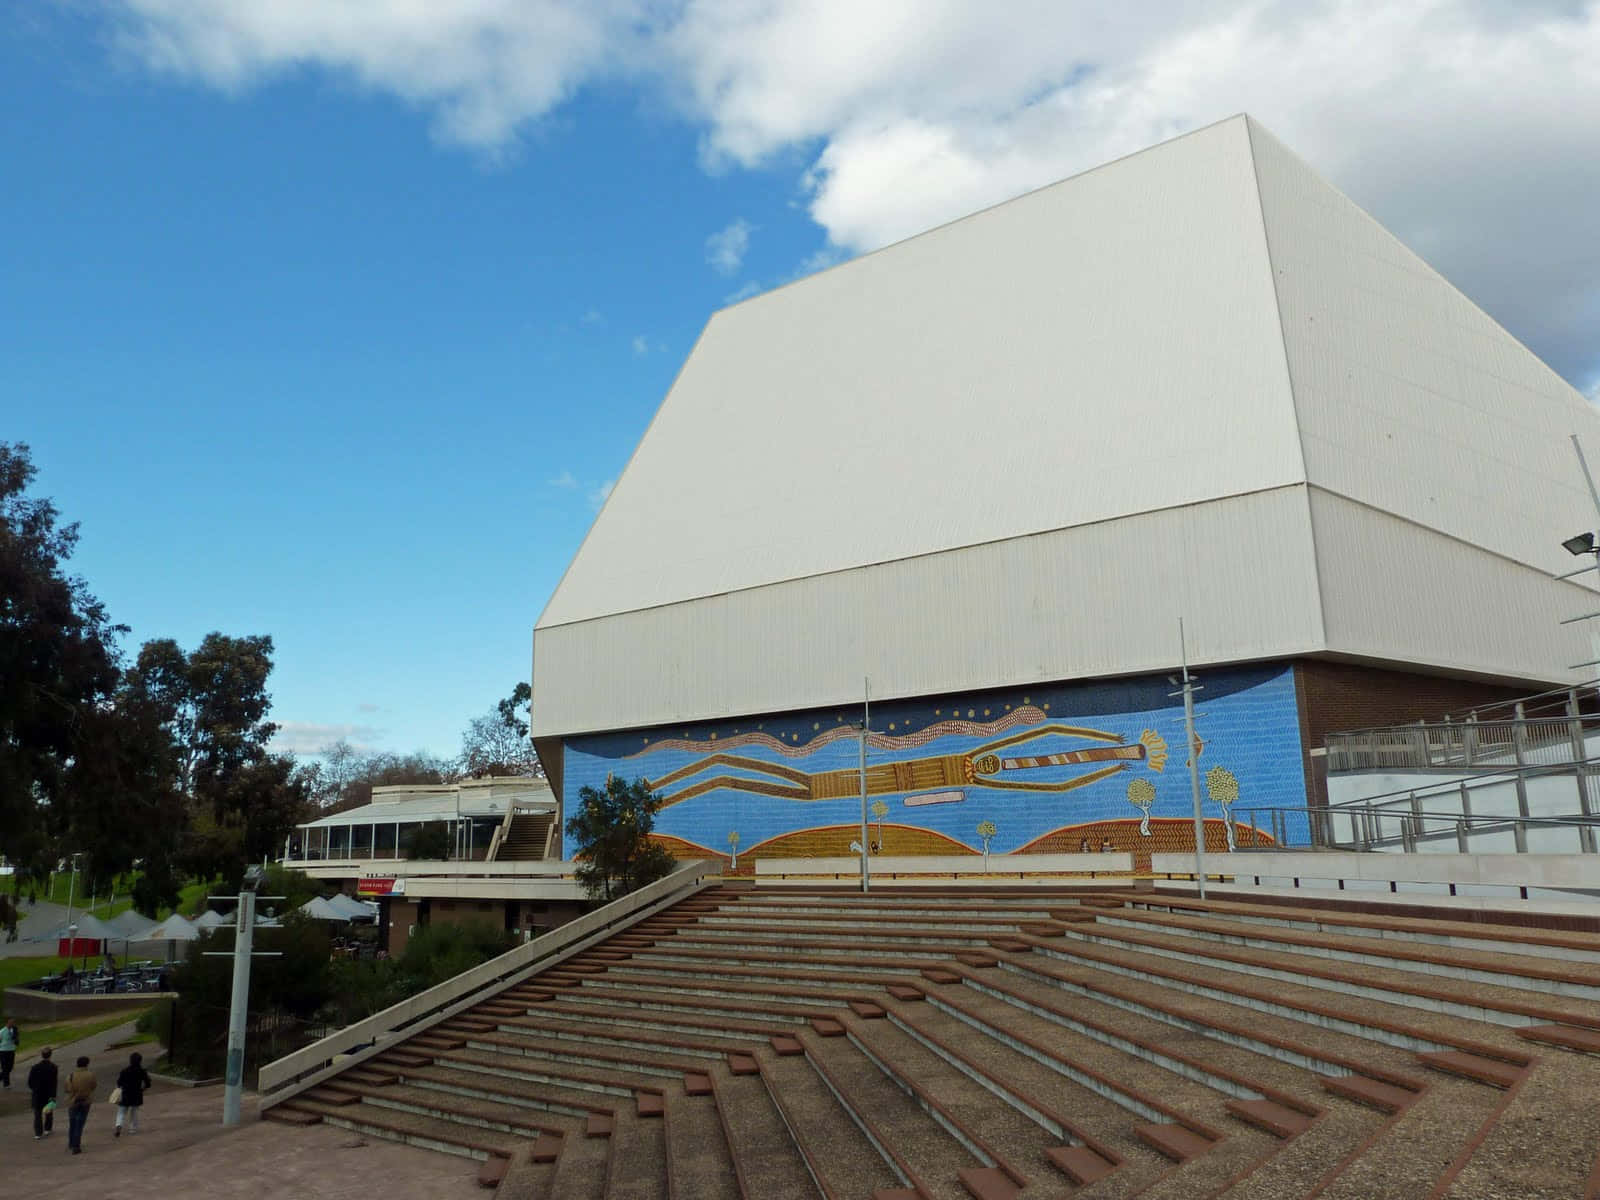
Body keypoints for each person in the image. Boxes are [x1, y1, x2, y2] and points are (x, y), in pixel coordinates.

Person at [113, 1052, 153, 1136]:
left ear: (130, 1060)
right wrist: (143, 1089)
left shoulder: (124, 1070)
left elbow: (119, 1082)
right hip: (137, 1093)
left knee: (121, 1111)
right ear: (140, 1061)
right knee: (134, 1112)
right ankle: (132, 1129)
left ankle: (118, 1125)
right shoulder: (142, 1071)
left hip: (125, 1093)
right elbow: (148, 1083)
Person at [64, 1054, 96, 1155]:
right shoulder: (91, 1075)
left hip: (73, 1101)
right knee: (80, 1124)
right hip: (85, 1101)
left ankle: (71, 1142)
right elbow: (93, 1086)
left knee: (72, 1123)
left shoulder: (71, 1076)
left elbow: (67, 1089)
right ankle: (76, 1146)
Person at [27, 1046, 58, 1140]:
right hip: (49, 1093)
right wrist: (53, 1095)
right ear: (50, 1055)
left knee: (37, 1114)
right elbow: (54, 1082)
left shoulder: (35, 1067)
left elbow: (30, 1081)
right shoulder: (53, 1067)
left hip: (37, 1093)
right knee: (48, 1112)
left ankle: (38, 1133)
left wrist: (34, 1089)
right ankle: (47, 1128)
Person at [0, 1016, 18, 1087]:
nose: (12, 1023)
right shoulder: (2, 1031)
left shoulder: (14, 1030)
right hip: (3, 1051)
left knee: (10, 1067)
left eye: (13, 1022)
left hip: (11, 1050)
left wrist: (16, 1039)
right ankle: (6, 1084)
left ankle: (1, 1077)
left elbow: (16, 1038)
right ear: (7, 1022)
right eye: (11, 1022)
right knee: (5, 1067)